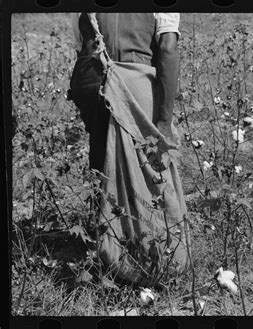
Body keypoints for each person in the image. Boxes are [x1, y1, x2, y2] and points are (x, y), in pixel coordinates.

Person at [69, 13, 189, 287]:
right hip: (132, 85)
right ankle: (149, 263)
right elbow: (168, 47)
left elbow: (83, 44)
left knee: (105, 167)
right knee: (150, 174)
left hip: (92, 83)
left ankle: (107, 256)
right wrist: (164, 122)